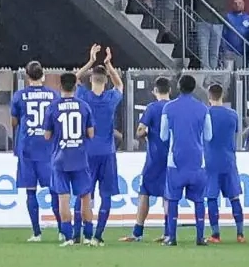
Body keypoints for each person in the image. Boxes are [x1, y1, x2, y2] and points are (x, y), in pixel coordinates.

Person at [75, 44, 125, 244]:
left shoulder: (84, 97)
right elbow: (120, 85)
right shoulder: (111, 98)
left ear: (91, 79)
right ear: (106, 81)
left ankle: (80, 234)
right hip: (107, 152)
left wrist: (90, 61)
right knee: (106, 196)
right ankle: (98, 236)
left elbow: (74, 79)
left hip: (87, 152)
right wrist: (109, 65)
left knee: (84, 194)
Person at [157, 73, 211, 246]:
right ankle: (200, 237)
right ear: (194, 88)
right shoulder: (203, 109)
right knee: (199, 200)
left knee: (172, 199)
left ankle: (172, 237)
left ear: (179, 87)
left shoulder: (169, 108)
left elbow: (163, 136)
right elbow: (208, 136)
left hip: (175, 161)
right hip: (197, 160)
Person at [9, 61, 59, 241]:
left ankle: (37, 233)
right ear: (43, 75)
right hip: (48, 149)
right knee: (55, 191)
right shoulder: (53, 95)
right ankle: (62, 230)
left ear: (27, 76)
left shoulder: (19, 96)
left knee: (31, 191)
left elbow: (14, 122)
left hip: (27, 148)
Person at [123, 76, 174, 242]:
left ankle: (137, 232)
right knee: (168, 194)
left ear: (155, 91)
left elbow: (140, 130)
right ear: (170, 90)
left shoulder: (152, 108)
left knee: (144, 192)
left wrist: (146, 134)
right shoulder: (174, 107)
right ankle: (168, 233)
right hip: (172, 157)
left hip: (154, 157)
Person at [51, 70, 95, 246]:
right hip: (80, 157)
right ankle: (88, 236)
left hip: (60, 158)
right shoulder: (84, 106)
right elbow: (91, 133)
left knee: (63, 198)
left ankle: (68, 237)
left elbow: (47, 135)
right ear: (76, 86)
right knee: (85, 197)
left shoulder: (53, 107)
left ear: (60, 86)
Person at [204, 82, 245, 243]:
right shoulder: (233, 114)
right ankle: (240, 234)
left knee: (211, 197)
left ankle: (215, 235)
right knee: (234, 197)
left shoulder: (206, 114)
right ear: (223, 95)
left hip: (211, 161)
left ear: (209, 97)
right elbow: (236, 132)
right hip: (229, 160)